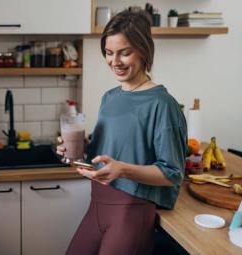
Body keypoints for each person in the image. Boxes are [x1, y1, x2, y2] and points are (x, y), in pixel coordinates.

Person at [57, 9, 187, 255]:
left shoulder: (162, 103)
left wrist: (122, 169)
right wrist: (75, 150)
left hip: (131, 212)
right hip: (96, 205)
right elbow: (105, 156)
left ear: (144, 50)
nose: (114, 61)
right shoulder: (110, 98)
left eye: (124, 53)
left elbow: (172, 173)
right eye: (108, 53)